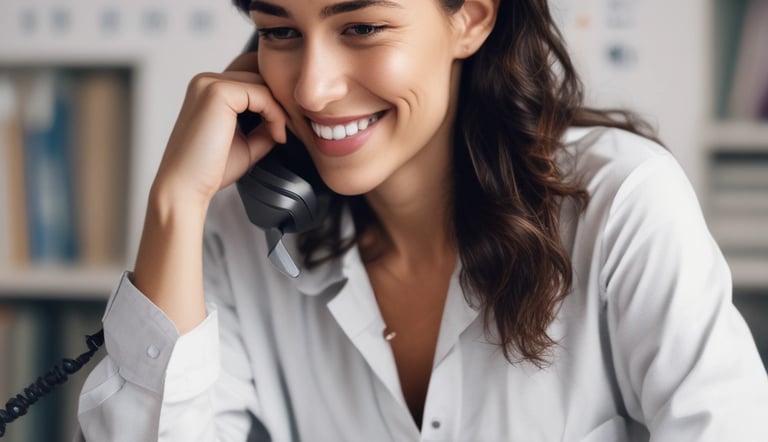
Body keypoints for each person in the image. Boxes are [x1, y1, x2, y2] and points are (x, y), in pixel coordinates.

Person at [76, 0, 768, 440]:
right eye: (280, 31)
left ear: (470, 17)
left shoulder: (621, 202)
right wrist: (175, 203)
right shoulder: (244, 229)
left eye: (363, 27)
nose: (312, 86)